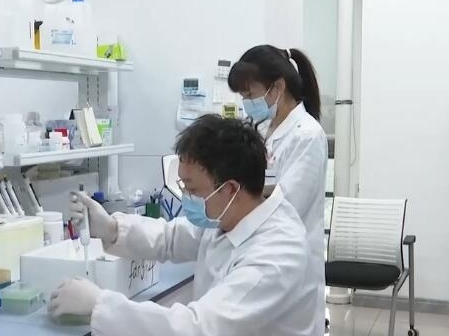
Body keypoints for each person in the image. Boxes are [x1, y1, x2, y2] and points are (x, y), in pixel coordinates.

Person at [48, 115, 316, 336]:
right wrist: (111, 228)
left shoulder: (276, 255)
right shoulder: (230, 217)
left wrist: (100, 304)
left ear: (230, 189)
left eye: (192, 188)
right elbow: (173, 237)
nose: (185, 196)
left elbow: (199, 328)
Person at [227, 45, 327, 333]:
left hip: (289, 263)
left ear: (278, 88)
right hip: (260, 255)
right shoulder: (263, 130)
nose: (247, 103)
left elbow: (287, 206)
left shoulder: (307, 136)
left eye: (250, 95)